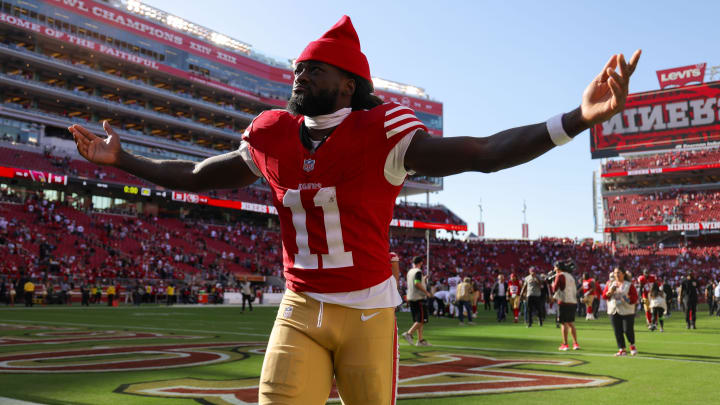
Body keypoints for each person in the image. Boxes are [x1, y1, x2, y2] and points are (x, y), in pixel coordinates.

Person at [68, 14, 640, 404]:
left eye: (313, 69)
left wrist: (577, 118)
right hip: (299, 307)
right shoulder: (271, 133)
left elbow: (485, 153)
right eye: (298, 67)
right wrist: (124, 160)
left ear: (348, 85)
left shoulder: (383, 130)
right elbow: (197, 175)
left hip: (367, 313)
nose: (299, 75)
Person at [602, 267, 639, 356]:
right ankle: (621, 349)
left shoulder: (629, 285)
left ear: (623, 274)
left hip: (627, 310)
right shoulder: (610, 284)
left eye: (618, 273)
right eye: (615, 273)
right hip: (613, 310)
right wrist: (610, 292)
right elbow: (604, 296)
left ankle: (632, 345)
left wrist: (625, 298)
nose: (616, 275)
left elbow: (634, 298)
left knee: (627, 330)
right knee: (617, 331)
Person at [402, 256, 432, 346]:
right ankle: (409, 333)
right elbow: (417, 283)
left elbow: (416, 281)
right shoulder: (418, 272)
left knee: (419, 320)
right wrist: (426, 292)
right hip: (418, 298)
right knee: (422, 320)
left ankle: (420, 340)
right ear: (421, 263)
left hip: (411, 297)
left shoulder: (410, 271)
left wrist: (424, 278)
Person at [552, 260, 580, 351]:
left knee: (563, 323)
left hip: (564, 301)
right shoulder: (571, 276)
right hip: (573, 301)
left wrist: (552, 283)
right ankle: (575, 343)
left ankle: (565, 344)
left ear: (558, 268)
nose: (554, 269)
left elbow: (554, 288)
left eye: (555, 267)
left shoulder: (559, 275)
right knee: (571, 323)